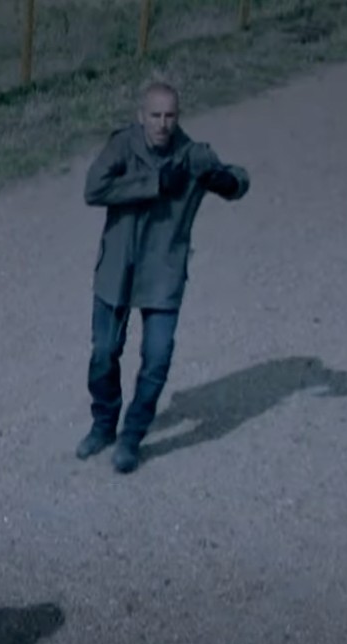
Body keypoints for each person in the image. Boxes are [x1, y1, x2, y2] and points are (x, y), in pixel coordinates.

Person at [76, 81, 251, 473]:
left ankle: (132, 435)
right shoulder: (122, 146)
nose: (162, 124)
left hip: (163, 273)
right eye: (155, 115)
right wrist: (153, 184)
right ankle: (104, 424)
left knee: (156, 359)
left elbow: (237, 179)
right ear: (141, 116)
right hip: (116, 269)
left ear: (178, 118)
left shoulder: (192, 155)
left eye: (170, 116)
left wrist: (227, 182)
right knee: (103, 353)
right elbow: (93, 189)